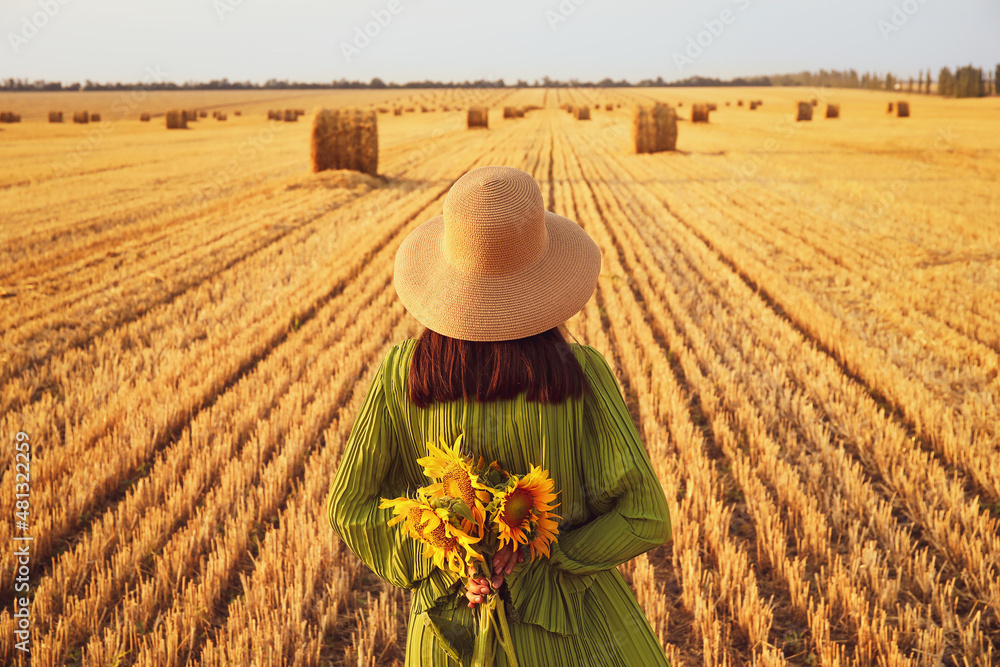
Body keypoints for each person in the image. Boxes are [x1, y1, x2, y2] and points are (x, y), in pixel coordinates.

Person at [327, 165, 671, 666]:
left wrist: (452, 563)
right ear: (544, 274)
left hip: (451, 633)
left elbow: (349, 506)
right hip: (569, 633)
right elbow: (645, 517)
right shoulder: (581, 375)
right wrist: (547, 556)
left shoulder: (402, 373)